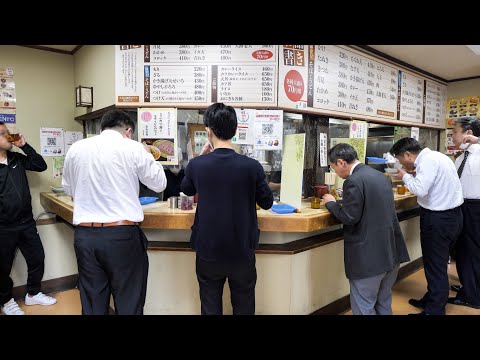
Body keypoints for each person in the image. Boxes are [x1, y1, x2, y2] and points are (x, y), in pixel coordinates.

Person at [62, 110, 167, 315]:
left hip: (85, 237)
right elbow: (159, 183)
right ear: (128, 130)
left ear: (103, 128)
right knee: (129, 300)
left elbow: (68, 189)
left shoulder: (77, 148)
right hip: (121, 236)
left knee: (92, 303)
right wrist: (147, 154)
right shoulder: (134, 147)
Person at [181, 103, 273, 315]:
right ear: (235, 130)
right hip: (242, 249)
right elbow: (267, 202)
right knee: (244, 305)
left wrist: (201, 156)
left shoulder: (198, 165)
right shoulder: (252, 166)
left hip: (208, 248)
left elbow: (186, 189)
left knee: (210, 305)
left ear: (208, 131)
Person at [322, 143, 410, 315]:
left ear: (341, 162)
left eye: (333, 168)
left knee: (364, 305)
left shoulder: (353, 181)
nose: (335, 173)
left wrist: (331, 203)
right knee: (383, 301)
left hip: (369, 258)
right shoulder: (380, 176)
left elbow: (349, 217)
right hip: (390, 253)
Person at [390, 137, 463, 315]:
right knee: (437, 263)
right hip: (453, 216)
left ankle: (435, 310)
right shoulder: (438, 156)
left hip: (438, 219)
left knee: (435, 265)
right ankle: (432, 298)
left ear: (408, 154)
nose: (402, 164)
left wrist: (405, 176)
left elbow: (420, 190)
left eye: (401, 160)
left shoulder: (427, 162)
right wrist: (412, 175)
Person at [0, 123, 56, 316]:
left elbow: (40, 165)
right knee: (2, 267)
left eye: (8, 132)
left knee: (37, 258)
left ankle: (33, 293)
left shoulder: (16, 158)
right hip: (3, 227)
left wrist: (24, 145)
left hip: (26, 223)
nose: (8, 136)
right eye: (3, 133)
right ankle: (6, 300)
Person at [448, 116, 480, 309]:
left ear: (468, 133)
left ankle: (473, 296)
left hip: (475, 209)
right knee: (463, 252)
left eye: (455, 133)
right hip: (461, 207)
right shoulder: (460, 157)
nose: (452, 137)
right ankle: (469, 287)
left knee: (472, 252)